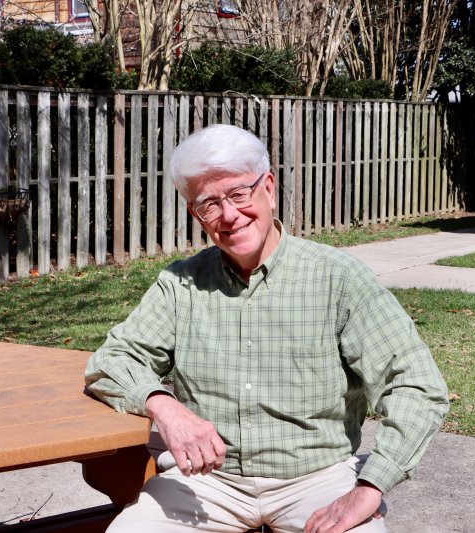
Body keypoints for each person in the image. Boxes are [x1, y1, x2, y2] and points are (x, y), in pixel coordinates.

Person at [85, 124, 449, 533]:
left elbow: (417, 386)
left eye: (240, 194)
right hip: (204, 484)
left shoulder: (338, 278)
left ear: (269, 188)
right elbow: (111, 361)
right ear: (195, 214)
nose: (229, 215)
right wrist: (164, 407)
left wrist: (371, 485)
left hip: (317, 478)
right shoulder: (181, 284)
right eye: (208, 204)